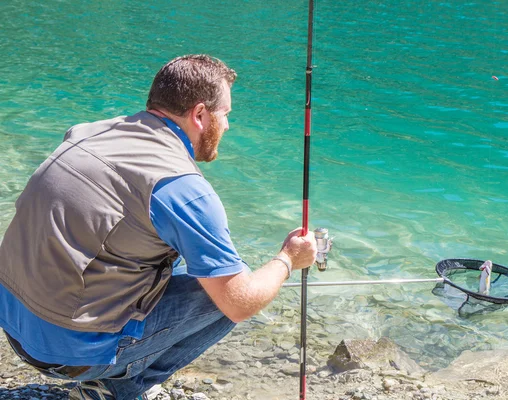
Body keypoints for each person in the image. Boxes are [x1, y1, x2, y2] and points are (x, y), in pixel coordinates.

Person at [0, 54, 318, 400]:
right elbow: (239, 302)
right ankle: (112, 389)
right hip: (65, 354)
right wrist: (288, 259)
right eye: (225, 114)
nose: (227, 125)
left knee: (175, 252)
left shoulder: (87, 132)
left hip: (14, 327)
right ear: (200, 114)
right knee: (232, 292)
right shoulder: (180, 188)